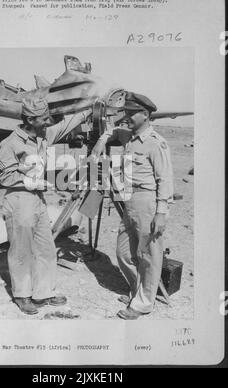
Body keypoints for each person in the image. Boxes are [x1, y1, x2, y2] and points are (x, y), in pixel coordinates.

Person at [0, 96, 91, 315]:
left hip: (37, 200)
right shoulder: (12, 143)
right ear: (29, 119)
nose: (48, 120)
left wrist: (88, 111)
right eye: (43, 117)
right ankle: (22, 295)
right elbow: (3, 176)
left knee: (46, 247)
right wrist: (32, 181)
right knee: (21, 250)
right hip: (20, 200)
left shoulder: (42, 135)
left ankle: (44, 292)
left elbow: (64, 125)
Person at [91, 92, 173, 320]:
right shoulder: (129, 136)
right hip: (129, 200)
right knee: (124, 252)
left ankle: (143, 304)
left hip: (147, 201)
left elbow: (165, 179)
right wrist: (101, 141)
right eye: (125, 111)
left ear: (145, 115)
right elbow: (112, 131)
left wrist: (162, 212)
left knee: (148, 255)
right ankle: (137, 291)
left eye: (130, 113)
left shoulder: (156, 143)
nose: (125, 116)